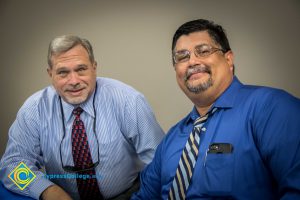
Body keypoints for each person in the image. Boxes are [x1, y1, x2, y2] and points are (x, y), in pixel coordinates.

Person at [131, 19, 300, 199]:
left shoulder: (271, 108)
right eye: (182, 57)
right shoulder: (171, 139)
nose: (192, 61)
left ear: (228, 59)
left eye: (203, 51)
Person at [0, 35, 165, 200]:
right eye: (63, 72)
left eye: (81, 69)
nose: (74, 81)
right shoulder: (34, 109)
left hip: (128, 195)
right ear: (50, 74)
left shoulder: (128, 100)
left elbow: (160, 161)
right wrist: (47, 191)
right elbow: (12, 165)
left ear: (94, 67)